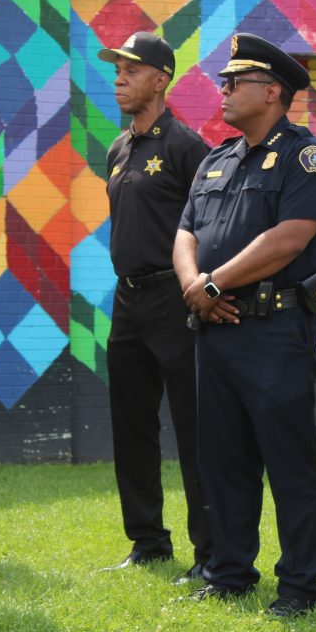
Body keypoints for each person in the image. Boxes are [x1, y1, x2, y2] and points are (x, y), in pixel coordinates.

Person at [172, 33, 316, 615]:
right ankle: (230, 571)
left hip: (274, 330)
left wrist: (213, 284)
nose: (222, 90)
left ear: (272, 92)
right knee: (223, 457)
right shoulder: (216, 158)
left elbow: (291, 236)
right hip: (215, 328)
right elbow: (185, 232)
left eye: (233, 82)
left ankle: (301, 584)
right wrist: (197, 288)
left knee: (288, 459)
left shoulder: (306, 156)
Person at [96, 32, 212, 581]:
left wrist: (205, 290)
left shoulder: (188, 147)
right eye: (116, 69)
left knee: (194, 429)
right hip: (128, 300)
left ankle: (210, 550)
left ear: (161, 78)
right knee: (131, 425)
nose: (119, 77)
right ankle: (147, 542)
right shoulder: (119, 149)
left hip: (177, 300)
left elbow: (214, 228)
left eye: (130, 68)